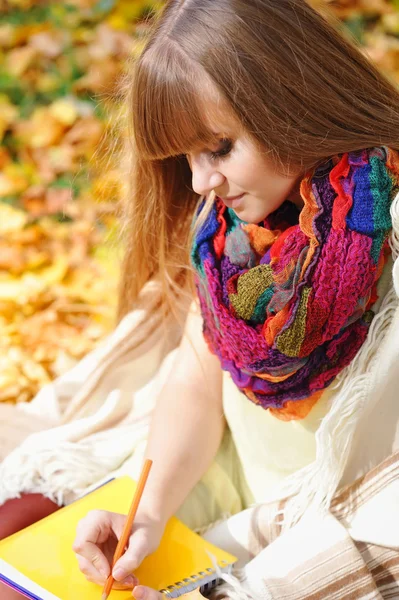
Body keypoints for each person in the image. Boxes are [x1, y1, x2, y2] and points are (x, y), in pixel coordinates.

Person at [2, 0, 399, 599]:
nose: (198, 183)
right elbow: (195, 374)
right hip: (229, 485)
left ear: (294, 101)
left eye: (217, 148)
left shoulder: (388, 228)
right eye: (186, 157)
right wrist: (150, 513)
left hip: (335, 527)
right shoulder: (231, 238)